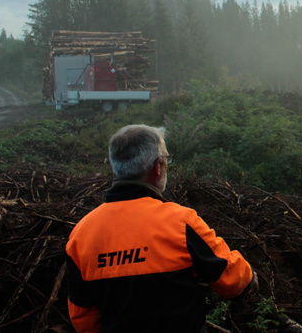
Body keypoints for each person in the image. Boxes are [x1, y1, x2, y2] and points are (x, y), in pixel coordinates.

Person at [66, 124, 256, 332]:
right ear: (158, 167)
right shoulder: (180, 222)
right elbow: (231, 280)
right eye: (167, 159)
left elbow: (82, 317)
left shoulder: (82, 234)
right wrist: (251, 278)